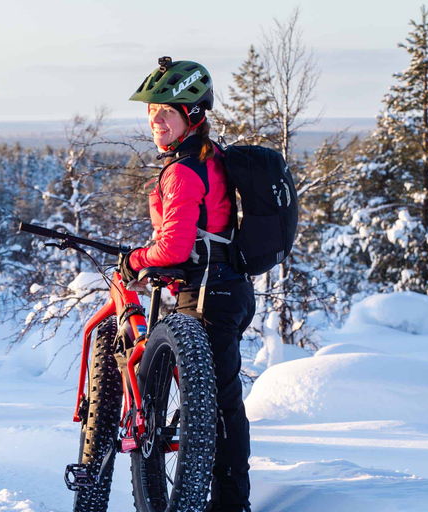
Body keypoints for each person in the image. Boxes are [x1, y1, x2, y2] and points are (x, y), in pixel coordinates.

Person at [118, 56, 256, 512]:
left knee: (216, 407)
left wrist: (137, 259)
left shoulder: (182, 170)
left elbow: (174, 248)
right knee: (219, 402)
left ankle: (228, 505)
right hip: (226, 287)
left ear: (193, 117)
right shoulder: (208, 158)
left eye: (166, 112)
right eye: (151, 112)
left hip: (208, 294)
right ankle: (223, 501)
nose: (155, 120)